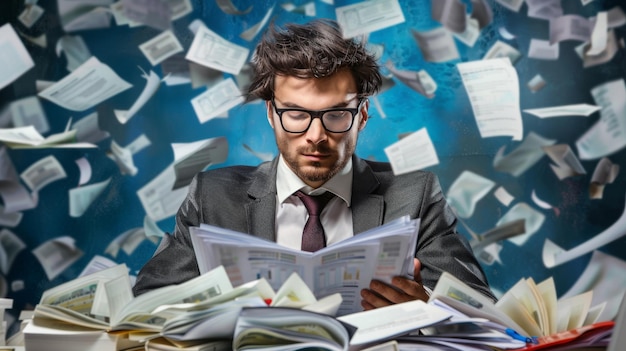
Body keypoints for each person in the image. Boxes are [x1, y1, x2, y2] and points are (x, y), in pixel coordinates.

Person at [132, 19, 496, 307]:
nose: (315, 136)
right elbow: (148, 301)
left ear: (363, 114)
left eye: (337, 114)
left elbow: (480, 308)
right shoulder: (212, 197)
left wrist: (427, 308)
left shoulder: (415, 196)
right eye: (296, 114)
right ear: (272, 114)